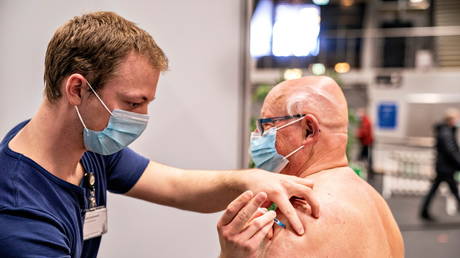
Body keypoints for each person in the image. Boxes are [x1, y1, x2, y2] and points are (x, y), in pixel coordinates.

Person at [0, 12, 320, 258]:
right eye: (132, 103)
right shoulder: (22, 218)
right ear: (78, 89)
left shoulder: (86, 147)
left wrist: (251, 181)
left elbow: (176, 186)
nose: (142, 118)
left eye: (146, 103)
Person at [217, 76, 404, 258]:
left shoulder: (298, 220)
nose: (257, 136)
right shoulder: (377, 205)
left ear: (309, 130)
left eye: (267, 126)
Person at [420, 108, 460, 221]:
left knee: (440, 189)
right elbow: (451, 151)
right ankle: (424, 211)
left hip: (444, 167)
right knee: (453, 190)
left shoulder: (446, 131)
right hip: (446, 168)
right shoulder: (446, 133)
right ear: (451, 119)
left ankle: (424, 211)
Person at [356, 108, 374, 180]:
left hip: (367, 143)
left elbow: (364, 132)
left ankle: (369, 174)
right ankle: (366, 172)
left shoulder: (366, 121)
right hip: (365, 143)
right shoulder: (364, 121)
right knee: (363, 157)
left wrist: (358, 134)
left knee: (367, 158)